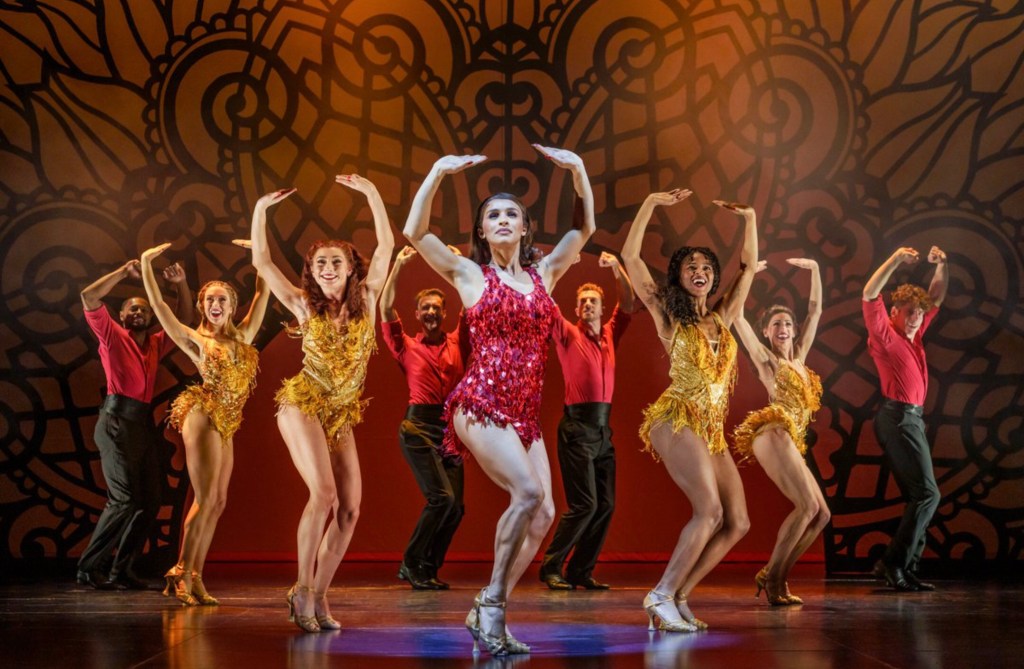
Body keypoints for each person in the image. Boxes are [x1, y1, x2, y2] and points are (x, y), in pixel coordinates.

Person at [403, 146, 595, 656]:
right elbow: (415, 233)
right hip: (479, 402)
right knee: (527, 494)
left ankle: (490, 605)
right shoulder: (471, 276)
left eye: (512, 213)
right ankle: (492, 606)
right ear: (483, 232)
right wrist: (437, 171)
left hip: (523, 414)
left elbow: (584, 229)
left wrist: (577, 169)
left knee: (544, 512)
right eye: (493, 215)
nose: (503, 220)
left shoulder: (544, 276)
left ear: (525, 228)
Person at [250, 176, 395, 632]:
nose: (328, 268)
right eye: (320, 263)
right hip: (303, 402)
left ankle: (319, 592)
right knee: (325, 494)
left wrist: (372, 194)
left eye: (336, 262)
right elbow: (262, 261)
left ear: (351, 268)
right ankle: (301, 588)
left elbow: (387, 246)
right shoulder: (303, 306)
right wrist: (261, 210)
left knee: (350, 510)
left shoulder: (367, 298)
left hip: (340, 413)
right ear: (311, 272)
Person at [621, 189, 757, 632]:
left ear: (713, 278)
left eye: (706, 268)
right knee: (709, 510)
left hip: (711, 428)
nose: (699, 272)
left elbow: (748, 267)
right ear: (679, 276)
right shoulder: (669, 315)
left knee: (737, 521)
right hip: (677, 416)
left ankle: (678, 595)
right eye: (690, 267)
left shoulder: (723, 317)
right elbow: (630, 257)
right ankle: (660, 593)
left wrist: (750, 220)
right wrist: (650, 204)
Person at [139, 240, 269, 606]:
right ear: (202, 306)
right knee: (206, 497)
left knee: (218, 501)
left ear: (232, 305)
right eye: (209, 299)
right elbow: (160, 307)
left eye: (221, 300)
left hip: (227, 420)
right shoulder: (197, 340)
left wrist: (260, 252)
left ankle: (194, 575)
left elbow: (264, 291)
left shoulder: (244, 335)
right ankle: (182, 571)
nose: (215, 305)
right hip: (204, 412)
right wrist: (147, 265)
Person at [76, 258, 194, 590]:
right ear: (122, 315)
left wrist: (181, 284)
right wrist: (122, 273)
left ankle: (121, 570)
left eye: (144, 309)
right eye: (132, 308)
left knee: (150, 502)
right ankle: (88, 568)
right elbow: (88, 296)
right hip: (115, 422)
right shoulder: (112, 334)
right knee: (124, 499)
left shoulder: (155, 343)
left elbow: (183, 320)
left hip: (141, 425)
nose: (138, 312)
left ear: (151, 316)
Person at [731, 258, 830, 605]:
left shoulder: (799, 359)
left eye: (787, 323)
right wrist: (746, 276)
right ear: (767, 333)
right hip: (774, 432)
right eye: (776, 324)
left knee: (821, 515)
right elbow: (737, 317)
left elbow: (815, 312)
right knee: (806, 506)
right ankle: (774, 581)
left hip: (791, 438)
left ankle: (774, 572)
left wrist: (815, 270)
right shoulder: (767, 361)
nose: (783, 327)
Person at [538, 251, 635, 591]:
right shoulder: (567, 333)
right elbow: (543, 298)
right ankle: (551, 566)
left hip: (602, 430)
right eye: (583, 302)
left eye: (593, 300)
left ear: (602, 308)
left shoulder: (610, 333)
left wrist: (617, 268)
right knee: (585, 504)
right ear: (577, 309)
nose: (588, 305)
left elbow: (629, 302)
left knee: (605, 505)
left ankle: (580, 571)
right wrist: (561, 266)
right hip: (577, 428)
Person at [379, 245, 469, 591]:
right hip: (418, 428)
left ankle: (427, 568)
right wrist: (399, 266)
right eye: (425, 308)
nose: (431, 311)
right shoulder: (405, 345)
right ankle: (411, 562)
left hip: (451, 430)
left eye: (436, 307)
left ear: (444, 312)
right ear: (417, 314)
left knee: (456, 508)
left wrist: (458, 264)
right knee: (441, 499)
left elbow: (470, 302)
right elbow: (385, 307)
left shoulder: (459, 341)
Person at [862, 245, 948, 592]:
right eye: (910, 312)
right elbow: (870, 294)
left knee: (921, 496)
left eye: (919, 313)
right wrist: (895, 259)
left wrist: (943, 265)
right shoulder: (885, 334)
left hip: (912, 419)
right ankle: (892, 563)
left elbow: (936, 297)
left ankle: (906, 566)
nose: (916, 317)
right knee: (927, 494)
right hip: (897, 418)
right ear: (895, 312)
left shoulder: (916, 335)